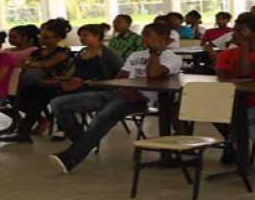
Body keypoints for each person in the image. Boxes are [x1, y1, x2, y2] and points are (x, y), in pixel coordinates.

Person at [48, 23, 183, 174]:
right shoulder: (135, 55)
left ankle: (70, 158)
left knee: (102, 117)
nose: (143, 39)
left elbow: (153, 74)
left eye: (148, 36)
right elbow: (120, 78)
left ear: (163, 39)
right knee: (59, 103)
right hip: (118, 93)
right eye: (143, 35)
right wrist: (125, 88)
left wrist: (155, 52)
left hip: (140, 99)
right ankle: (84, 142)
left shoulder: (172, 58)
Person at [2, 24, 123, 143]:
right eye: (80, 36)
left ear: (97, 36)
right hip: (75, 83)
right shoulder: (83, 52)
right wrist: (60, 80)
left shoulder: (106, 54)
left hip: (95, 87)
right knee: (39, 95)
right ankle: (24, 131)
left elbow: (119, 73)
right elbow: (72, 72)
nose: (82, 38)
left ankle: (65, 130)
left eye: (86, 35)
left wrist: (89, 82)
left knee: (59, 96)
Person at [213, 15, 255, 163]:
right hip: (227, 98)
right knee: (209, 109)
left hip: (253, 100)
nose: (235, 34)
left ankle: (233, 145)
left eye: (241, 31)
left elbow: (244, 73)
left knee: (239, 118)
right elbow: (222, 79)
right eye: (235, 30)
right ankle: (232, 143)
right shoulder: (225, 54)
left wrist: (243, 47)